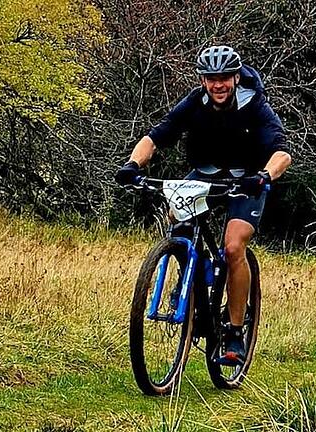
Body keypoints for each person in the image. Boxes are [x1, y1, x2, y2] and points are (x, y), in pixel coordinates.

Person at [115, 45, 292, 366]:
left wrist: (265, 175)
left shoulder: (255, 106)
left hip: (246, 180)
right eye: (211, 79)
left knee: (234, 247)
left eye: (224, 78)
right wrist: (133, 165)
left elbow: (282, 152)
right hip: (206, 176)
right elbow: (155, 137)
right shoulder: (194, 104)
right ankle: (192, 281)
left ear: (236, 78)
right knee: (176, 218)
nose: (218, 85)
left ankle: (235, 332)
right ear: (203, 81)